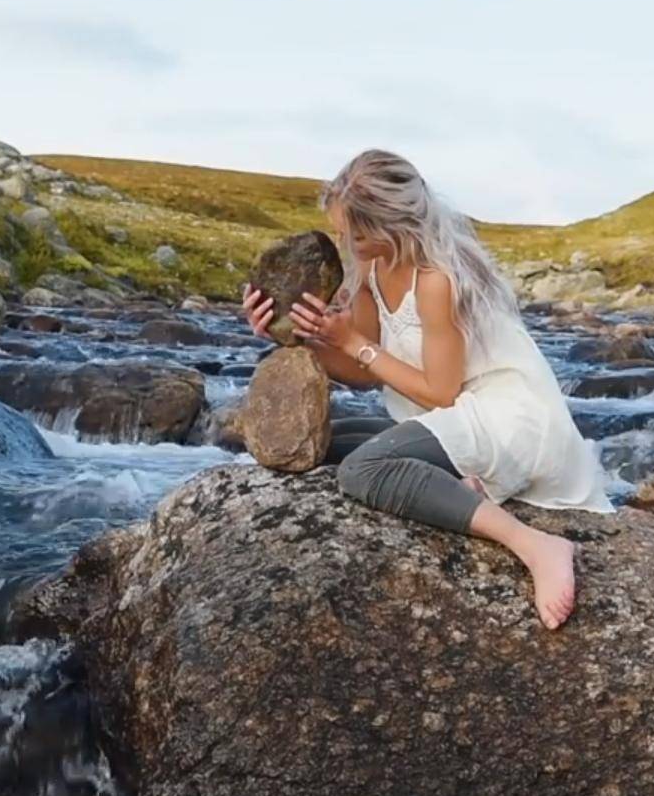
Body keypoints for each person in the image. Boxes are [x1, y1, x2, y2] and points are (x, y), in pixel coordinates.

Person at [240, 149, 613, 628]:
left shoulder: (438, 280)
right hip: (450, 414)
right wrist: (290, 332)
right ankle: (463, 486)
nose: (342, 243)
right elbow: (364, 369)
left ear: (388, 227)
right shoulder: (374, 271)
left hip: (506, 416)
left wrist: (350, 340)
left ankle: (535, 545)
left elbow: (440, 391)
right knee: (321, 441)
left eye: (351, 233)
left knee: (363, 469)